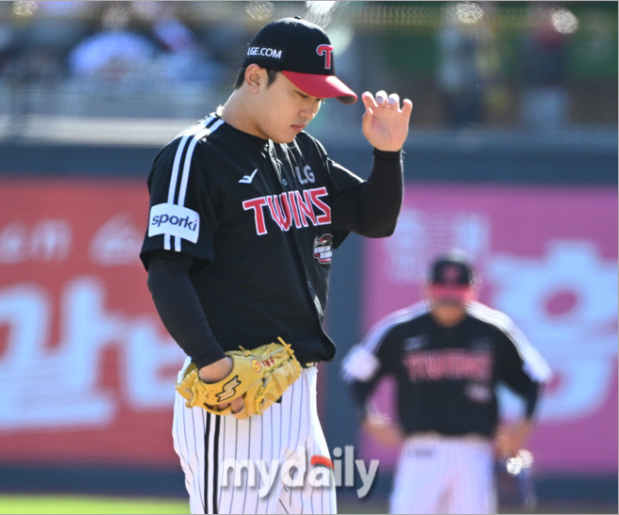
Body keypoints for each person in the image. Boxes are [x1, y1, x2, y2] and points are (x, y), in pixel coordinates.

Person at [140, 16, 413, 515]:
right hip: (238, 397)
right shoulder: (196, 154)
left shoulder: (302, 150)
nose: (310, 108)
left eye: (318, 98)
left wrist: (387, 156)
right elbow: (166, 271)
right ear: (254, 78)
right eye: (299, 93)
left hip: (299, 394)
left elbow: (374, 219)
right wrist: (212, 364)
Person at [341, 252, 551, 514]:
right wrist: (367, 418)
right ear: (427, 288)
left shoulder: (494, 329)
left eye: (457, 290)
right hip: (421, 449)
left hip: (475, 452)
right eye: (443, 289)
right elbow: (355, 373)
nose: (449, 299)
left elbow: (535, 376)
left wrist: (525, 422)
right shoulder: (401, 329)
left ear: (472, 289)